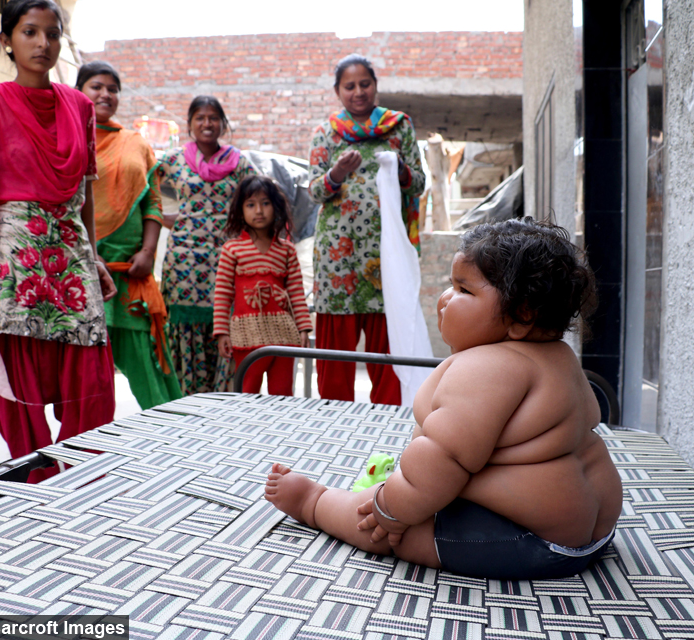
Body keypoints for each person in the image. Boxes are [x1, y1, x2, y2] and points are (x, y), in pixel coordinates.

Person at [265, 219, 623, 580]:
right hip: (595, 533)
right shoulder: (560, 357)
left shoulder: (488, 367)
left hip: (528, 540)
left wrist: (389, 508)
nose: (445, 299)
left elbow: (440, 459)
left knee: (386, 524)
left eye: (464, 290)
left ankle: (313, 502)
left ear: (522, 314)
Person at [0, 0, 117, 482]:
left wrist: (94, 256)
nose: (43, 43)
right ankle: (32, 479)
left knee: (91, 374)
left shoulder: (79, 106)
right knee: (19, 377)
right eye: (29, 32)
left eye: (52, 33)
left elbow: (84, 192)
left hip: (70, 253)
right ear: (7, 41)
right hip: (12, 256)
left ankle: (83, 477)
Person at [307, 54, 426, 405]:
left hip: (384, 257)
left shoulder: (399, 126)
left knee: (388, 357)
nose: (358, 92)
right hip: (336, 260)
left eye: (365, 84)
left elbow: (417, 183)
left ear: (375, 85)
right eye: (350, 86)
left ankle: (387, 429)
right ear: (337, 91)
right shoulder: (326, 134)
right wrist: (336, 174)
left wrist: (399, 166)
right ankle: (332, 429)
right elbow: (315, 191)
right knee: (335, 361)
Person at [76, 61, 182, 410]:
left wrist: (149, 252)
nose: (106, 94)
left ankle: (172, 438)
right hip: (84, 271)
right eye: (96, 86)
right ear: (78, 92)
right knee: (89, 373)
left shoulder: (136, 143)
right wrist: (85, 255)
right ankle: (93, 449)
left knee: (147, 363)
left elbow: (154, 200)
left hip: (131, 271)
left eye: (113, 88)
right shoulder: (67, 139)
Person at [158, 96, 256, 395]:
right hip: (184, 265)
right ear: (189, 124)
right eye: (200, 117)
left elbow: (254, 205)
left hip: (228, 262)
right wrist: (187, 226)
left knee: (226, 327)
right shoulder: (171, 162)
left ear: (223, 124)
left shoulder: (239, 163)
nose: (207, 123)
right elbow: (159, 206)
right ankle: (186, 402)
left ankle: (224, 402)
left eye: (213, 117)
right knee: (185, 332)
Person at [212, 176, 311, 395]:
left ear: (276, 208)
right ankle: (248, 429)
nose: (259, 210)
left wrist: (303, 327)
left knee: (283, 393)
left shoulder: (286, 250)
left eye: (265, 203)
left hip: (283, 334)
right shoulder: (232, 249)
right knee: (247, 391)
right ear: (240, 210)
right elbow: (222, 293)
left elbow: (295, 291)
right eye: (251, 205)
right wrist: (222, 333)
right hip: (246, 334)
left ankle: (280, 429)